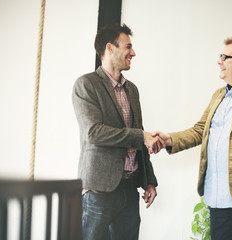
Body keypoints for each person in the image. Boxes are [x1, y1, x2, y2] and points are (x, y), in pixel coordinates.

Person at [153, 37, 232, 240]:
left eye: (225, 57)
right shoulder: (218, 95)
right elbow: (200, 130)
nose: (219, 61)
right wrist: (169, 139)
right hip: (216, 197)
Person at [72, 24, 162, 240]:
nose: (133, 52)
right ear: (110, 48)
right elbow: (94, 133)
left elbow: (139, 134)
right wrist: (141, 136)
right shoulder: (86, 84)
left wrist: (149, 180)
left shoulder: (132, 89)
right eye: (128, 46)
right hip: (98, 191)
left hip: (130, 190)